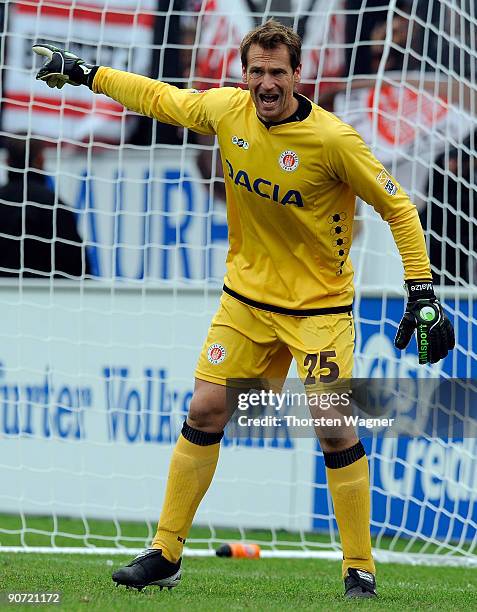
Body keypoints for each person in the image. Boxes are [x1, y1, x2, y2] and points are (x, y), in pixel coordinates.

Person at [33, 20, 454, 599]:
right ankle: (166, 552)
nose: (266, 83)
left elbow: (400, 209)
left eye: (277, 71)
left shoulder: (333, 141)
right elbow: (158, 97)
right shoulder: (227, 111)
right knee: (206, 409)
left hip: (319, 311)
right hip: (246, 304)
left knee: (333, 426)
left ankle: (360, 569)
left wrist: (422, 291)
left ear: (297, 75)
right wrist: (87, 74)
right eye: (256, 71)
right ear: (244, 73)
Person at [0, 135, 90, 278]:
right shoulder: (54, 206)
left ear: (7, 161)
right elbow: (78, 266)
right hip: (47, 296)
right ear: (41, 160)